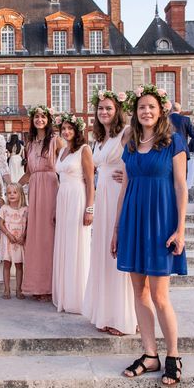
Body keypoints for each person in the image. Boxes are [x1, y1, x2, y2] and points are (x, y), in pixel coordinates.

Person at [111, 84, 187, 387]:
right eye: (141, 107)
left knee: (159, 296)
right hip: (133, 220)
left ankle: (174, 356)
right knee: (138, 293)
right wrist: (116, 229)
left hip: (160, 222)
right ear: (135, 112)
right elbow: (125, 187)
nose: (146, 111)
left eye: (151, 107)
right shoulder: (130, 144)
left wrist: (180, 229)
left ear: (161, 111)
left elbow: (181, 186)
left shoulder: (173, 141)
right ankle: (150, 354)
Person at [82, 90, 137, 337]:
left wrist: (128, 174)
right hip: (102, 195)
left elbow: (139, 158)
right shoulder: (99, 139)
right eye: (101, 108)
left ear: (117, 111)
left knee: (118, 256)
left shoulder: (125, 133)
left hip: (117, 194)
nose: (104, 112)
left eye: (109, 108)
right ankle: (105, 312)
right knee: (103, 254)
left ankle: (123, 317)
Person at [18, 105, 64, 301]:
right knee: (35, 237)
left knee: (49, 237)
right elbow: (28, 173)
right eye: (36, 116)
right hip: (35, 190)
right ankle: (37, 286)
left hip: (52, 188)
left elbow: (66, 166)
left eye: (43, 117)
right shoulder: (29, 144)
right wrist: (14, 185)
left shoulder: (56, 141)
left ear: (48, 119)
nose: (40, 120)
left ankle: (50, 287)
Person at [52, 114, 94, 314]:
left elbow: (90, 181)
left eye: (70, 128)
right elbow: (59, 180)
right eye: (64, 129)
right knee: (64, 244)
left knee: (77, 246)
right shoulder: (62, 151)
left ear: (77, 131)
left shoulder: (84, 150)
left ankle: (79, 297)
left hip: (78, 197)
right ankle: (64, 294)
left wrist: (90, 208)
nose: (66, 132)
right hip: (63, 198)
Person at [0, 182, 28, 300]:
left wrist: (23, 236)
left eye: (15, 192)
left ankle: (19, 290)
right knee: (7, 264)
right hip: (8, 241)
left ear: (20, 194)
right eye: (9, 192)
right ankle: (7, 289)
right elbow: (0, 224)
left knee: (19, 265)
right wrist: (8, 234)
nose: (11, 195)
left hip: (20, 242)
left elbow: (29, 225)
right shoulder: (4, 208)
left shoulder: (26, 209)